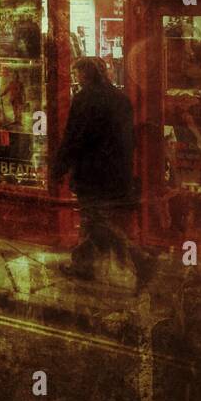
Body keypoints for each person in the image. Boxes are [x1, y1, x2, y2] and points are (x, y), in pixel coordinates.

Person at [54, 56, 155, 290]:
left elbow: (74, 138)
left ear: (86, 74)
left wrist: (60, 166)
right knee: (92, 220)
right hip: (117, 172)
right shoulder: (121, 98)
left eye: (77, 73)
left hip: (92, 172)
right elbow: (130, 138)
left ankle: (140, 258)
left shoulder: (83, 99)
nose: (76, 78)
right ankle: (84, 267)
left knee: (95, 219)